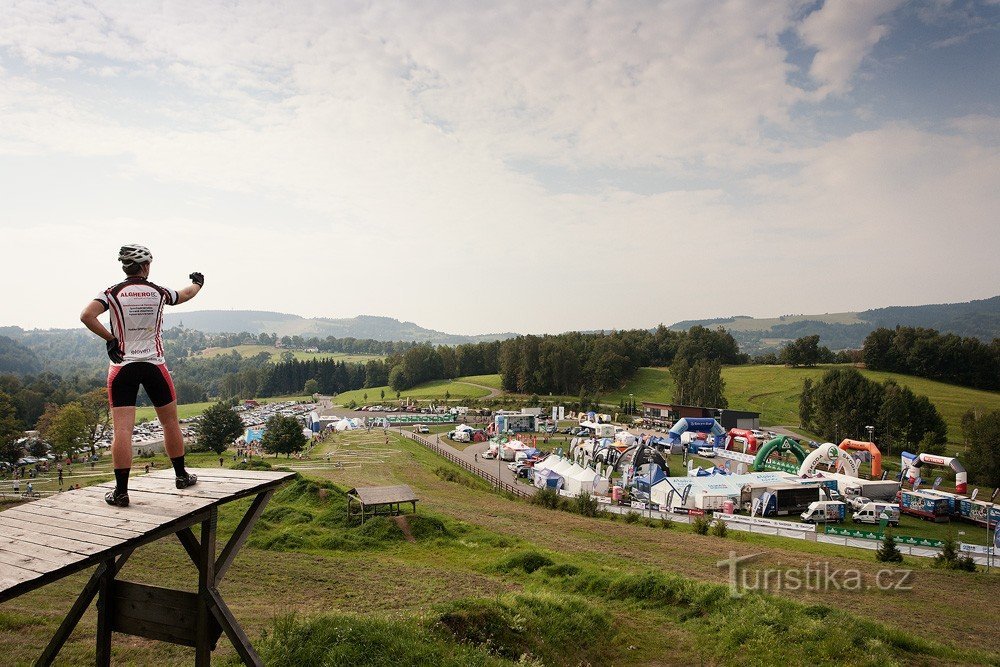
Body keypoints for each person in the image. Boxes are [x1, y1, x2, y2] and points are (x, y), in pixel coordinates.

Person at [80, 244, 204, 508]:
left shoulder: (112, 293)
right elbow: (185, 294)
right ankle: (181, 476)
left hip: (122, 365)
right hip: (153, 364)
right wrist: (198, 283)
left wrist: (111, 339)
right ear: (146, 266)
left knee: (122, 429)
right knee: (170, 423)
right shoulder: (158, 292)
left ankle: (121, 492)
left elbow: (87, 316)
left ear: (125, 267)